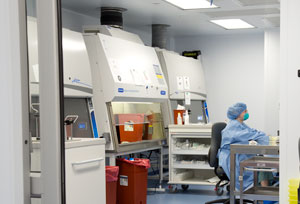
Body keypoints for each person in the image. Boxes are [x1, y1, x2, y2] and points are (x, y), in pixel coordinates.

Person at [218, 102, 273, 191]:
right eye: (245, 111)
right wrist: (264, 137)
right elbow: (249, 134)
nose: (247, 113)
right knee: (261, 165)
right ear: (238, 114)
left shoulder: (241, 124)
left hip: (240, 154)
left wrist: (262, 136)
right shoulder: (233, 126)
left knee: (262, 162)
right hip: (232, 157)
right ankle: (264, 195)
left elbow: (251, 132)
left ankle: (264, 192)